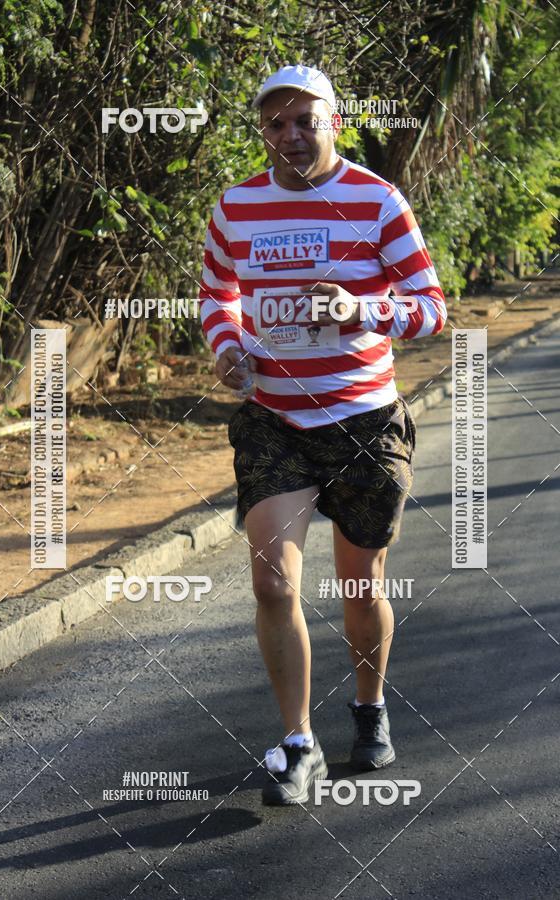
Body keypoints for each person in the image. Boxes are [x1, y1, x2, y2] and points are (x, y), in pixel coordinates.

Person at [198, 64, 446, 806]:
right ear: (263, 133)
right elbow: (217, 294)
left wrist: (365, 311)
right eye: (275, 124)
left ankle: (369, 707)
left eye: (305, 120)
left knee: (359, 583)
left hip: (365, 420)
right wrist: (227, 349)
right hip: (275, 420)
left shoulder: (377, 199)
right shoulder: (237, 207)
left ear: (335, 120)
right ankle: (297, 745)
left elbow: (431, 306)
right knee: (273, 580)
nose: (291, 135)